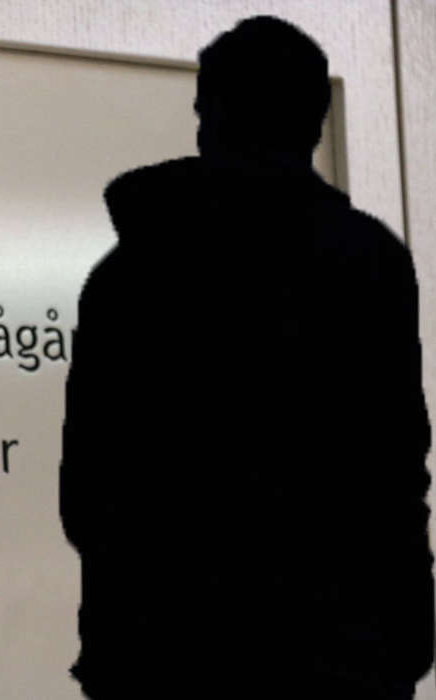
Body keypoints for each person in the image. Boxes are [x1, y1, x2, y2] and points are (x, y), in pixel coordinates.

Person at [60, 15, 433, 700]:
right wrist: (399, 638)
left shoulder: (131, 273)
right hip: (342, 658)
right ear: (313, 124)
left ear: (210, 116)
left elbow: (91, 490)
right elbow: (394, 473)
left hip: (167, 655)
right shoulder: (367, 262)